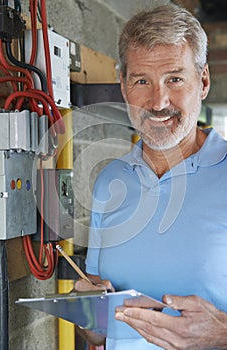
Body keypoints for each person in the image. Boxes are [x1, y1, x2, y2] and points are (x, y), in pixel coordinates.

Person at [75, 3, 227, 349]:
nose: (158, 102)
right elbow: (98, 333)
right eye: (142, 80)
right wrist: (87, 310)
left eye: (174, 78)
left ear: (202, 81)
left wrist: (223, 334)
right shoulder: (109, 182)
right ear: (124, 86)